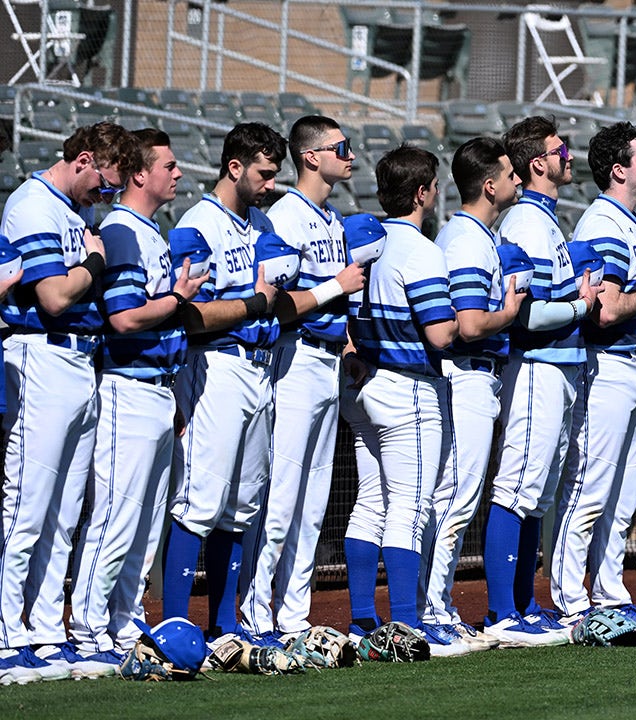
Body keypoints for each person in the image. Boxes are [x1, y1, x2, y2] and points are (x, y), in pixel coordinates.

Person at [0, 121, 140, 681]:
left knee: (63, 514)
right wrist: (97, 263)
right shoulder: (34, 204)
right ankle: (7, 632)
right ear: (83, 160)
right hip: (43, 355)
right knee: (27, 505)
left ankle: (43, 630)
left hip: (82, 361)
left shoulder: (74, 213)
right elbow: (55, 297)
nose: (106, 197)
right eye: (105, 184)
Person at [68, 128, 204, 671]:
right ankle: (87, 628)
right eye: (168, 165)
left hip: (157, 388)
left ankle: (122, 622)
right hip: (127, 386)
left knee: (146, 522)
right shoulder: (122, 231)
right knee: (117, 516)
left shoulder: (150, 230)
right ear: (140, 174)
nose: (177, 173)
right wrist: (177, 299)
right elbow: (124, 317)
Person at [241, 115, 365, 642]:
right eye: (342, 147)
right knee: (282, 497)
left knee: (314, 502)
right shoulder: (287, 215)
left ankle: (293, 617)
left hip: (328, 360)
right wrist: (336, 287)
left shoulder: (333, 218)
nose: (351, 155)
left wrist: (350, 338)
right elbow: (279, 304)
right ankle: (255, 613)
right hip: (293, 361)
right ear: (310, 157)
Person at [163, 122, 286, 643]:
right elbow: (190, 313)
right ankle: (173, 623)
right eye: (263, 173)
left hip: (262, 367)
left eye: (276, 173)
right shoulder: (199, 223)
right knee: (200, 501)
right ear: (234, 167)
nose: (271, 183)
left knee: (243, 504)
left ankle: (225, 624)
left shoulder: (260, 222)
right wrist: (253, 303)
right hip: (217, 366)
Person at [483, 116, 597, 644]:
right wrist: (579, 305)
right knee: (518, 486)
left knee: (539, 491)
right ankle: (505, 612)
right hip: (535, 365)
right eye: (560, 149)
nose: (568, 156)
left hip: (559, 365)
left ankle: (525, 604)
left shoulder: (546, 219)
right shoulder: (527, 223)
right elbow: (526, 316)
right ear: (537, 163)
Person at [549, 122, 636, 630]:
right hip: (609, 366)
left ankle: (610, 589)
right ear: (619, 170)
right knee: (591, 488)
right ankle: (569, 597)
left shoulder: (627, 222)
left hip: (633, 366)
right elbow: (608, 310)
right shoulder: (604, 224)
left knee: (621, 495)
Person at [342, 144, 459, 640]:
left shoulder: (364, 240)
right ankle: (408, 624)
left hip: (365, 381)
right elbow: (440, 335)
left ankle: (364, 618)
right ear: (421, 193)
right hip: (408, 385)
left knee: (371, 501)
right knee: (410, 505)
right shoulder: (420, 249)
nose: (436, 193)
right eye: (433, 185)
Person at [421, 139, 525, 646]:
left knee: (455, 496)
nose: (518, 180)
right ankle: (433, 606)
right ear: (489, 185)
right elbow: (466, 323)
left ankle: (433, 603)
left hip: (471, 375)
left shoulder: (475, 234)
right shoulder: (466, 239)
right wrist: (510, 312)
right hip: (464, 374)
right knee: (455, 497)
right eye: (509, 174)